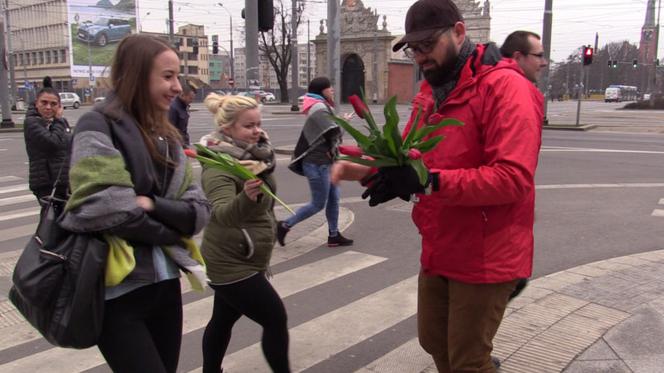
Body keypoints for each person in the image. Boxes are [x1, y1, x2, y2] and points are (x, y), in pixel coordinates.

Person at [331, 0, 544, 372]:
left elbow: (512, 179)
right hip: (441, 241)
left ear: (459, 33)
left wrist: (429, 181)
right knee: (433, 340)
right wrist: (368, 171)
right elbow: (416, 162)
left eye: (427, 46)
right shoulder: (431, 93)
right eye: (413, 48)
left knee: (468, 360)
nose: (419, 57)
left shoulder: (506, 89)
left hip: (486, 252)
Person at [59, 34, 211, 373]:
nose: (177, 87)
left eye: (177, 77)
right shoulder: (96, 124)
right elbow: (106, 208)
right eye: (167, 76)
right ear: (137, 75)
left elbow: (198, 211)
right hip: (118, 295)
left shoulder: (168, 135)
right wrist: (171, 232)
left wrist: (152, 205)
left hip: (165, 286)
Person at [198, 93, 290, 373]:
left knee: (223, 319)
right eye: (248, 126)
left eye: (258, 123)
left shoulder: (254, 154)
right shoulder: (218, 166)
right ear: (227, 129)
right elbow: (222, 214)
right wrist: (246, 198)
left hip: (244, 254)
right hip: (231, 262)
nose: (257, 130)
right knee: (275, 319)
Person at [277, 77, 353, 247]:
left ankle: (333, 235)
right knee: (318, 203)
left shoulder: (321, 105)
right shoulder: (319, 107)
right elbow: (332, 133)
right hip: (317, 163)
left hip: (326, 161)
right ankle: (285, 225)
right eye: (329, 88)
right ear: (322, 90)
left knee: (334, 198)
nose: (332, 90)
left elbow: (330, 132)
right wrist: (345, 122)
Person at [24, 76, 71, 203]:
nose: (48, 107)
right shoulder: (32, 122)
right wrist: (59, 120)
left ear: (59, 106)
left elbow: (69, 147)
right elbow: (52, 143)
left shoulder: (60, 122)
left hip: (64, 183)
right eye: (44, 103)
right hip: (46, 185)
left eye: (53, 104)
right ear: (36, 104)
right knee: (50, 220)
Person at [169, 80, 197, 147]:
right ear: (182, 95)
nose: (191, 101)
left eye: (193, 99)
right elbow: (170, 130)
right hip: (176, 145)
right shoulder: (173, 108)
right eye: (190, 98)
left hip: (183, 143)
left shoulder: (183, 106)